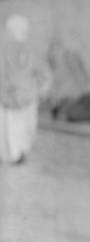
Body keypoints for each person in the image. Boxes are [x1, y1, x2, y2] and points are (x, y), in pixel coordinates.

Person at [0, 15, 43, 164]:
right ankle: (15, 154)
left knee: (28, 128)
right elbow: (3, 75)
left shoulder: (31, 50)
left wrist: (42, 87)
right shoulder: (4, 51)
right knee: (12, 128)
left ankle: (21, 151)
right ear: (11, 31)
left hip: (29, 96)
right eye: (20, 29)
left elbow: (40, 71)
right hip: (12, 97)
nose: (24, 32)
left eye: (25, 30)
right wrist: (6, 94)